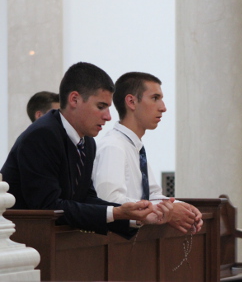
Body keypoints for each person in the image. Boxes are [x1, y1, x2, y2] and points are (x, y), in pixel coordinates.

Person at [1, 62, 173, 240]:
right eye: (101, 106)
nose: (108, 116)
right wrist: (116, 212)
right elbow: (48, 207)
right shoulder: (43, 135)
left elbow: (86, 197)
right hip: (18, 242)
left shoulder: (88, 141)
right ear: (74, 99)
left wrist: (134, 217)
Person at [92, 71, 203, 234]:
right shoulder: (113, 146)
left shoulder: (134, 146)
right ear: (131, 101)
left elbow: (152, 195)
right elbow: (109, 201)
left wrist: (181, 207)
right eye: (155, 98)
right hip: (115, 242)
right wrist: (167, 212)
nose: (163, 108)